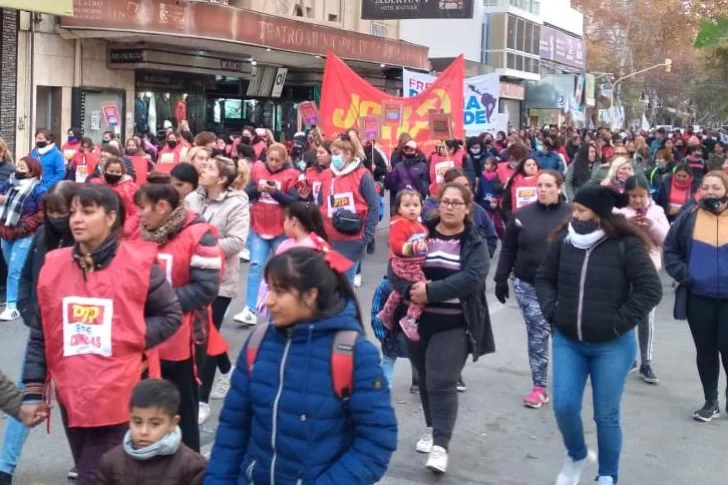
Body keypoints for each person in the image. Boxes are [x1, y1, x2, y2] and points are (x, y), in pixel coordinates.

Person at [21, 184, 183, 485]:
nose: (76, 220)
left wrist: (128, 337)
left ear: (111, 218)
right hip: (73, 394)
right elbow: (41, 333)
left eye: (87, 211)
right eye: (73, 213)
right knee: (103, 473)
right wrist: (32, 391)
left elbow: (170, 315)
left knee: (92, 477)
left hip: (118, 396)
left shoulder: (139, 264)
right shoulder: (54, 266)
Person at [205, 247, 397, 484]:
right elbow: (233, 429)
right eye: (269, 289)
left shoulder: (353, 353)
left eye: (279, 291)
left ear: (310, 295)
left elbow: (376, 442)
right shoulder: (258, 342)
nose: (268, 301)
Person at [535, 185, 662, 485]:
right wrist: (553, 311)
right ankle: (577, 454)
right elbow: (544, 279)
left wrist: (618, 323)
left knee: (606, 416)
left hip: (612, 345)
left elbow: (650, 290)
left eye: (580, 210)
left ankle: (607, 476)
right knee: (564, 405)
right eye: (574, 209)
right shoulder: (564, 242)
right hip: (569, 340)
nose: (573, 215)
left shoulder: (626, 244)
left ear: (599, 214)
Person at [388, 182, 494, 474]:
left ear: (467, 208)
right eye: (444, 202)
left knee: (441, 379)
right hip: (418, 321)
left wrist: (431, 291)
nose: (448, 207)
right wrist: (410, 290)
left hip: (456, 322)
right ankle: (433, 427)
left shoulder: (473, 240)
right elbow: (395, 266)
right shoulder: (421, 231)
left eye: (455, 203)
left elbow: (473, 278)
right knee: (423, 378)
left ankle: (441, 446)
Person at [136, 176, 222, 451]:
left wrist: (160, 305)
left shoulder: (200, 234)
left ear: (162, 207)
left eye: (144, 208)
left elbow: (206, 289)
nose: (138, 214)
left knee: (182, 414)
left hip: (182, 342)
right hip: (142, 340)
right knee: (144, 417)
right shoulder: (136, 234)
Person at [0, 181, 77, 484]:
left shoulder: (92, 242)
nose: (57, 216)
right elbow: (26, 275)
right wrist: (30, 312)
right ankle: (5, 468)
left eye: (63, 211)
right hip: (43, 331)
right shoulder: (43, 235)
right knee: (26, 395)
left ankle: (84, 459)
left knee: (76, 400)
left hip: (77, 334)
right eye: (52, 211)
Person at [494, 171, 571, 408]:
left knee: (564, 338)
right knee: (538, 335)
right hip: (529, 285)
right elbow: (508, 249)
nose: (543, 189)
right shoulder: (522, 215)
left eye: (548, 185)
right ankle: (539, 387)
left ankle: (566, 384)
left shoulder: (572, 215)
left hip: (564, 288)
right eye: (539, 185)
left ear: (559, 188)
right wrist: (500, 278)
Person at [185, 156, 249, 424]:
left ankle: (201, 399)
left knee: (206, 336)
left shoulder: (237, 204)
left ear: (222, 178)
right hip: (189, 275)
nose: (203, 169)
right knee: (200, 332)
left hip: (220, 280)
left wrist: (200, 247)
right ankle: (228, 370)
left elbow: (236, 241)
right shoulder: (192, 198)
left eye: (209, 167)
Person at [664, 170, 728, 422]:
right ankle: (710, 401)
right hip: (699, 297)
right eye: (706, 187)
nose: (711, 192)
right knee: (706, 350)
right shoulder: (689, 216)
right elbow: (670, 249)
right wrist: (685, 274)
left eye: (716, 187)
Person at [96, 379, 207, 485]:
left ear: (173, 423)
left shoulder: (192, 466)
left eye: (155, 424)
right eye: (137, 422)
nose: (144, 431)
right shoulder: (111, 461)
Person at [234, 143, 298, 326]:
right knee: (255, 267)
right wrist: (258, 190)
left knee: (282, 271)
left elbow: (293, 201)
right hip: (259, 227)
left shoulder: (291, 175)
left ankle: (284, 309)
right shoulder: (257, 170)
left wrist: (275, 192)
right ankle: (250, 309)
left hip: (281, 229)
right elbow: (246, 193)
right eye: (271, 159)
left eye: (278, 160)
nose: (274, 163)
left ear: (284, 160)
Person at [614, 175, 669, 385]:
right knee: (625, 314)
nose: (637, 200)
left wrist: (651, 225)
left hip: (648, 270)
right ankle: (629, 358)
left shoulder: (657, 212)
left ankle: (646, 362)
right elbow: (609, 235)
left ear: (648, 193)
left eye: (641, 196)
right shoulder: (619, 212)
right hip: (623, 268)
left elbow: (666, 238)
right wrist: (626, 224)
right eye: (633, 196)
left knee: (647, 318)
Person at [319, 132, 379, 283]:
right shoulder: (326, 175)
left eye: (336, 153)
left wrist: (366, 237)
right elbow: (320, 204)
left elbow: (373, 207)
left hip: (352, 239)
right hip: (329, 238)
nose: (334, 157)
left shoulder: (363, 175)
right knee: (330, 286)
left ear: (348, 154)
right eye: (332, 153)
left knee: (345, 287)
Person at [254, 201, 327, 316]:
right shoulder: (318, 243)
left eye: (285, 220)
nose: (284, 223)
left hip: (293, 303)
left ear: (293, 221)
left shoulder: (311, 246)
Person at [378, 189, 428, 341]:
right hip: (404, 264)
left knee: (399, 291)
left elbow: (424, 241)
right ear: (399, 208)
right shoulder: (399, 224)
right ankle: (411, 319)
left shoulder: (419, 225)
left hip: (415, 263)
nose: (412, 208)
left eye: (416, 205)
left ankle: (386, 313)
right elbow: (396, 244)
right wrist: (413, 248)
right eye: (407, 205)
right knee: (423, 288)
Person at [0, 157, 45, 321]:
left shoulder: (38, 188)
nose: (18, 169)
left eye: (22, 167)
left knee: (14, 270)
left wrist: (26, 225)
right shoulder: (10, 182)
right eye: (18, 165)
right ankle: (25, 297)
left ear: (32, 171)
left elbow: (42, 212)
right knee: (13, 268)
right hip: (6, 231)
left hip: (25, 233)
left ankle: (12, 305)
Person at [424, 168, 498, 258]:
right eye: (458, 186)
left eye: (466, 185)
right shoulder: (431, 206)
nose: (464, 189)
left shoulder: (478, 210)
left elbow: (491, 237)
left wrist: (480, 257)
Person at [91, 156, 139, 239]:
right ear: (105, 171)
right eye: (111, 171)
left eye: (118, 172)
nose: (114, 174)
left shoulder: (130, 188)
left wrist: (126, 228)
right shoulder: (96, 185)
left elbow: (135, 211)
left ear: (123, 173)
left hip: (122, 232)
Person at [384, 139, 428, 205]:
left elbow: (425, 185)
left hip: (416, 202)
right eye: (407, 149)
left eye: (411, 150)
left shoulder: (423, 167)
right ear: (404, 151)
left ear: (416, 152)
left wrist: (420, 198)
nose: (409, 151)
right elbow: (388, 184)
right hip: (402, 202)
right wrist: (388, 173)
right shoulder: (398, 167)